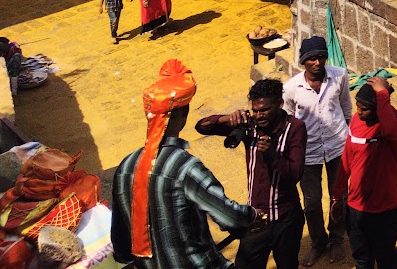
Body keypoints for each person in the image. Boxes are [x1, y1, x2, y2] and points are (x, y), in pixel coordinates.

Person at [111, 58, 255, 268]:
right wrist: (251, 215)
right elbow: (231, 218)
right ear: (184, 116)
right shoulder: (186, 169)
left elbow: (121, 245)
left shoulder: (125, 167)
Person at [196, 77, 308, 269]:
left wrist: (273, 155)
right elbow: (202, 126)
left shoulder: (295, 128)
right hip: (256, 218)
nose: (258, 115)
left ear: (280, 104)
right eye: (255, 110)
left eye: (264, 110)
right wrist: (227, 118)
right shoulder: (249, 125)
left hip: (287, 218)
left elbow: (295, 173)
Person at [284, 36, 352, 265]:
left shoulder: (340, 75)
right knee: (311, 202)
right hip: (307, 151)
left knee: (339, 196)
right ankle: (317, 243)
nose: (317, 62)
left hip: (337, 146)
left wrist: (351, 141)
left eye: (321, 57)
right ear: (303, 61)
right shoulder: (291, 88)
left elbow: (345, 108)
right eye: (312, 58)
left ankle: (336, 240)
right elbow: (289, 119)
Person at [341, 78, 397, 269]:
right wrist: (337, 196)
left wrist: (382, 95)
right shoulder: (355, 120)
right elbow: (346, 159)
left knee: (385, 256)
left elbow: (390, 132)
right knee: (362, 257)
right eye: (357, 107)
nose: (358, 112)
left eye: (364, 109)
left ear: (379, 108)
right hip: (356, 205)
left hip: (385, 206)